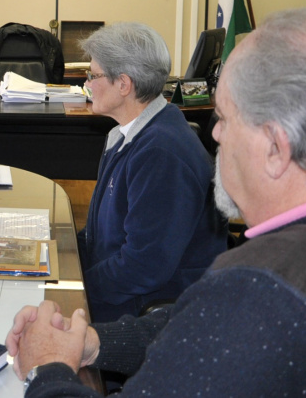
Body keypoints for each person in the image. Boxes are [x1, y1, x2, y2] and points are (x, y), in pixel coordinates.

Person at [6, 6, 306, 397]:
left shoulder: (253, 293)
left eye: (225, 118)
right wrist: (99, 342)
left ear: (275, 147)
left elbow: (199, 306)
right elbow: (182, 320)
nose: (214, 134)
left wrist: (47, 368)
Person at [76, 22, 227, 323]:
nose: (88, 84)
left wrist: (75, 287)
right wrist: (56, 257)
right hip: (121, 290)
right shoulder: (128, 134)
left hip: (144, 310)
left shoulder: (160, 154)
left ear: (124, 84)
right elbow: (100, 235)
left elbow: (144, 266)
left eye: (93, 75)